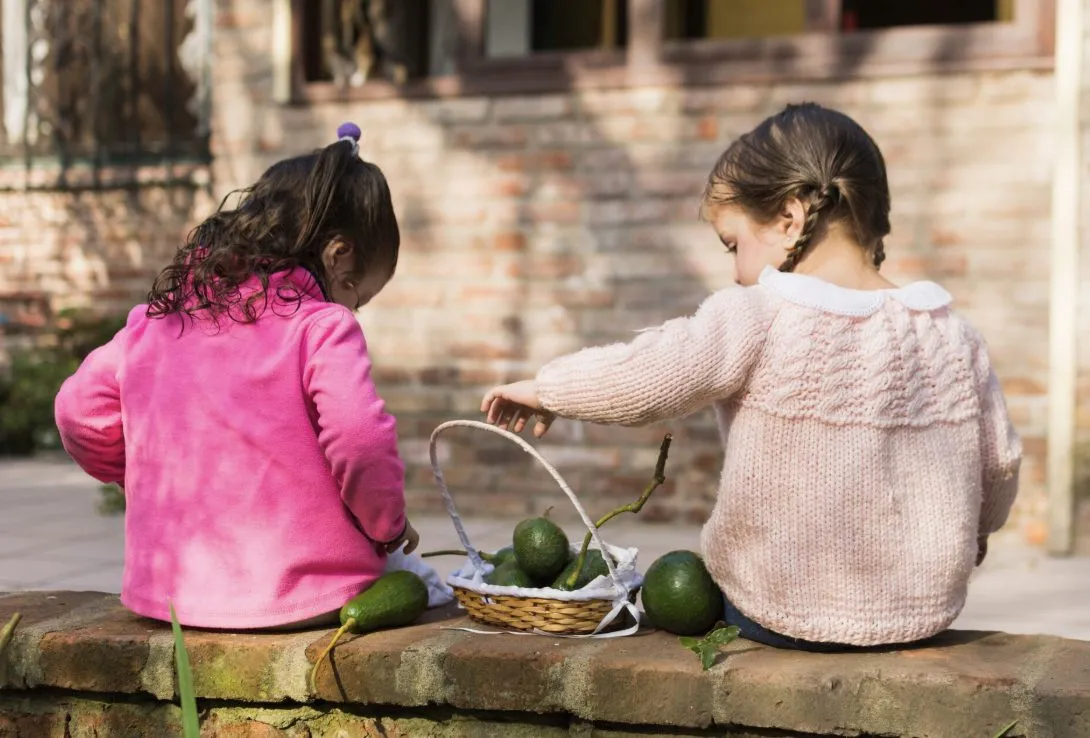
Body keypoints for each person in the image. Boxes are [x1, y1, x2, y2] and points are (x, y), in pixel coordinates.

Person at [479, 103, 1022, 651]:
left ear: (789, 220)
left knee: (680, 585)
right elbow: (999, 464)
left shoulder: (760, 314)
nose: (735, 269)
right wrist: (974, 534)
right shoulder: (952, 334)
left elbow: (649, 373)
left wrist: (548, 389)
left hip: (776, 613)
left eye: (733, 244)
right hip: (922, 617)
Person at [54, 123, 441, 630]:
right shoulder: (320, 326)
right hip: (304, 596)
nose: (351, 308)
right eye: (356, 292)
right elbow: (360, 439)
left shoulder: (158, 320)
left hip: (165, 596)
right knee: (428, 589)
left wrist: (146, 474)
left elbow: (76, 411)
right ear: (338, 254)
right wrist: (386, 528)